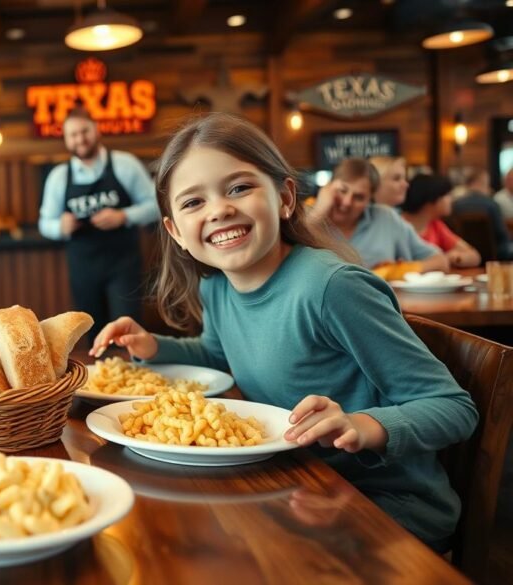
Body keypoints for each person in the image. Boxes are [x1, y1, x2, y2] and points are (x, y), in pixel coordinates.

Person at [89, 113, 477, 551]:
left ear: (285, 197)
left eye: (239, 188)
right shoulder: (216, 287)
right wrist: (155, 346)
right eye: (193, 202)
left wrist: (363, 425)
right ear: (176, 232)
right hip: (293, 484)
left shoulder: (332, 288)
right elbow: (220, 355)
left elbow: (452, 406)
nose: (219, 209)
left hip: (386, 507)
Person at [38, 107, 160, 340]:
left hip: (123, 265)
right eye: (73, 135)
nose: (80, 139)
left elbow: (155, 206)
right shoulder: (59, 176)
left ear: (96, 131)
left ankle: (132, 375)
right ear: (66, 139)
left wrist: (124, 216)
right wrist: (59, 227)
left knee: (126, 330)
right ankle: (97, 377)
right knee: (90, 333)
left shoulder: (125, 165)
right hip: (83, 268)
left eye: (85, 131)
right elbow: (45, 222)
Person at [310, 158, 448, 271]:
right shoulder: (305, 218)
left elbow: (440, 261)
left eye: (359, 197)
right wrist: (319, 211)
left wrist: (400, 271)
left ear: (370, 200)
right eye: (342, 190)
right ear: (327, 188)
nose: (347, 202)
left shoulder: (385, 217)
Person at [400, 174, 480, 268]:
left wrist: (455, 258)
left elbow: (474, 256)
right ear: (432, 199)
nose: (451, 199)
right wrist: (439, 262)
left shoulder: (435, 225)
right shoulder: (397, 224)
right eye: (447, 195)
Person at [452, 168, 513, 260]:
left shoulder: (456, 204)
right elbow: (502, 235)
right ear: (481, 182)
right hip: (495, 254)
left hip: (465, 253)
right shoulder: (491, 205)